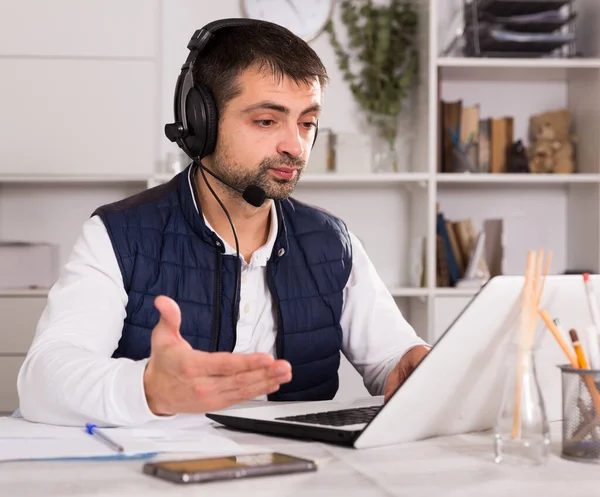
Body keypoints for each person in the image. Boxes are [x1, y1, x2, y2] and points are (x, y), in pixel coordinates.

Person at [17, 19, 430, 427]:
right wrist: (146, 387)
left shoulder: (332, 242)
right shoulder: (118, 235)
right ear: (200, 123)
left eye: (306, 122)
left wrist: (409, 365)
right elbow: (44, 380)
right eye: (267, 121)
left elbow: (392, 357)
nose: (295, 146)